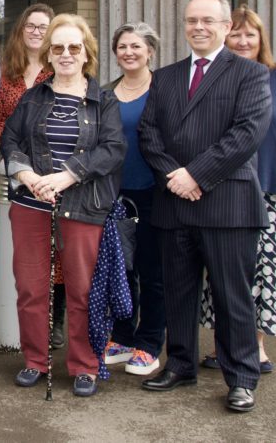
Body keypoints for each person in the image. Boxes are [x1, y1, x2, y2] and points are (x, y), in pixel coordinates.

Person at [138, 0, 271, 413]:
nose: (198, 27)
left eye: (208, 21)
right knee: (178, 291)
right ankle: (179, 364)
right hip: (175, 204)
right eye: (192, 20)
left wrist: (196, 174)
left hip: (228, 205)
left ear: (226, 26)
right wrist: (175, 178)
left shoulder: (249, 75)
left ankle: (241, 377)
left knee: (234, 297)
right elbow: (148, 133)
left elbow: (246, 135)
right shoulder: (166, 76)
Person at [1, 13, 125, 398]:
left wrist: (68, 174)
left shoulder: (103, 99)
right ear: (49, 54)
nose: (66, 54)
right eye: (58, 48)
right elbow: (10, 141)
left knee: (83, 289)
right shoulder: (33, 96)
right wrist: (27, 177)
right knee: (31, 287)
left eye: (74, 47)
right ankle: (35, 360)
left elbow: (113, 149)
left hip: (83, 204)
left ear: (86, 52)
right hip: (32, 204)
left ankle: (85, 365)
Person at [198, 5, 276, 372]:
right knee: (227, 266)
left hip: (274, 188)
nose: (243, 40)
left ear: (261, 38)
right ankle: (224, 345)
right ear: (225, 36)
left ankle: (256, 346)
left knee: (267, 269)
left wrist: (269, 162)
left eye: (250, 34)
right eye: (236, 34)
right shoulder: (211, 78)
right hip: (226, 187)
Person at [0, 3, 59, 343]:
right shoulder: (7, 72)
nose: (35, 32)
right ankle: (17, 320)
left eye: (43, 26)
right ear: (21, 31)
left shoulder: (61, 69)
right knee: (18, 248)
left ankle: (55, 321)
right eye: (30, 25)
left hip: (52, 175)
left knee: (56, 247)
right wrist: (16, 159)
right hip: (15, 174)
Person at [102, 22, 165, 376]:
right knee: (121, 270)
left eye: (136, 46)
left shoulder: (163, 89)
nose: (128, 52)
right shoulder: (107, 92)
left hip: (155, 193)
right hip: (116, 194)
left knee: (152, 270)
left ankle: (150, 342)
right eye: (122, 46)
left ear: (150, 51)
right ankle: (123, 337)